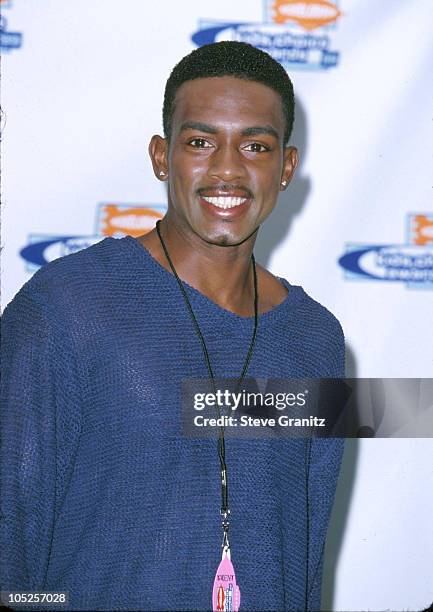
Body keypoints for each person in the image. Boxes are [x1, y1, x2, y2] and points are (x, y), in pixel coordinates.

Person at [1, 41, 345, 611]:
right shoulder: (67, 308)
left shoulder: (316, 339)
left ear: (286, 168)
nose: (228, 169)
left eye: (255, 145)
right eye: (201, 142)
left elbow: (303, 560)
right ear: (162, 157)